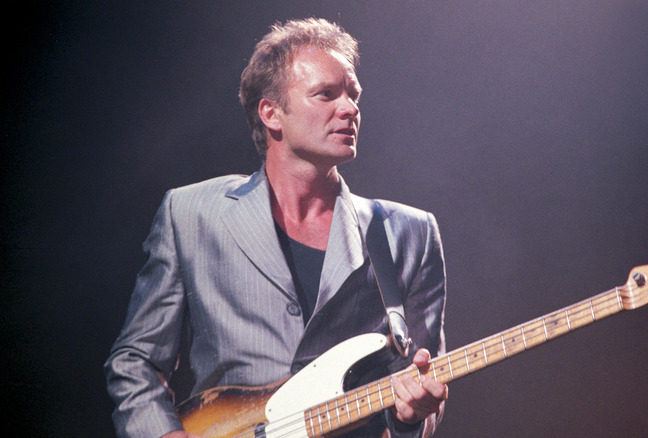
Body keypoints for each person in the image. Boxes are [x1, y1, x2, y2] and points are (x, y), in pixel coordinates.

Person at [104, 17, 447, 438]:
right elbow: (135, 362)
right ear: (271, 113)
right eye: (326, 94)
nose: (350, 108)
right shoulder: (190, 213)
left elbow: (422, 381)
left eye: (354, 95)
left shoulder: (411, 232)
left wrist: (413, 416)